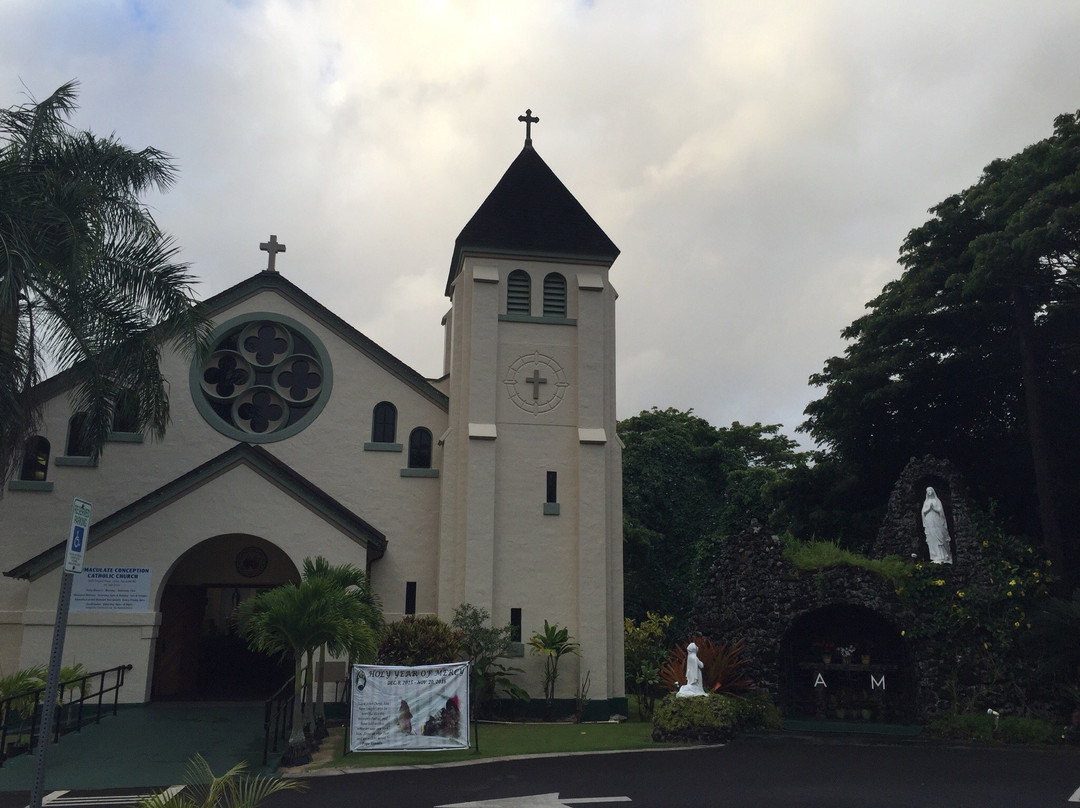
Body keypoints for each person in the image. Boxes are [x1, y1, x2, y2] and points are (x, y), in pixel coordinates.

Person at [922, 486, 953, 564]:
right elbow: (923, 513)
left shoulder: (937, 501)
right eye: (927, 491)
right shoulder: (926, 502)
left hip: (936, 520)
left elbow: (940, 511)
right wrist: (929, 508)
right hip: (929, 521)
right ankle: (935, 556)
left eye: (930, 491)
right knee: (932, 537)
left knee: (939, 536)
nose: (929, 492)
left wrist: (934, 509)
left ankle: (944, 556)